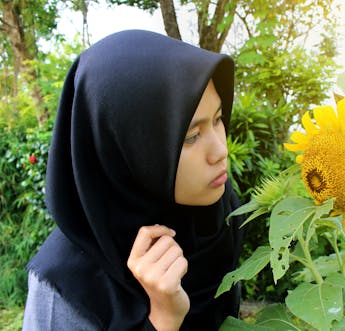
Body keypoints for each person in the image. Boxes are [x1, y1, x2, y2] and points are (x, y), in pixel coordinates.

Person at [22, 30, 243, 331]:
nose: (221, 151)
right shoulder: (67, 284)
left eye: (218, 119)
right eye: (191, 136)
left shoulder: (216, 220)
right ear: (127, 153)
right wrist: (163, 320)